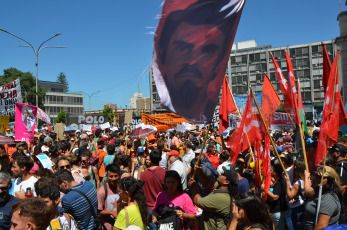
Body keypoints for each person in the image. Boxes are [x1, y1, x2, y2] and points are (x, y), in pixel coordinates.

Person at [140, 149, 167, 230]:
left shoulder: (143, 174)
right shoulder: (165, 173)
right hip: (160, 209)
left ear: (150, 159)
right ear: (160, 159)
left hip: (147, 209)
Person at [284, 159, 307, 230]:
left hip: (297, 207)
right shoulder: (305, 179)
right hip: (300, 205)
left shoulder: (299, 182)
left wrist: (287, 182)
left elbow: (290, 196)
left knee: (290, 222)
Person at [265, 159, 287, 230]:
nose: (269, 171)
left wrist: (265, 190)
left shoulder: (279, 183)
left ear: (275, 173)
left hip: (278, 211)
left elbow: (275, 197)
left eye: (271, 170)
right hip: (276, 211)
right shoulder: (277, 182)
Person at [98, 164, 121, 230]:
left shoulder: (122, 188)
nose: (113, 179)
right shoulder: (102, 191)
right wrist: (111, 212)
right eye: (111, 176)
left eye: (115, 176)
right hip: (107, 226)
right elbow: (98, 211)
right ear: (107, 176)